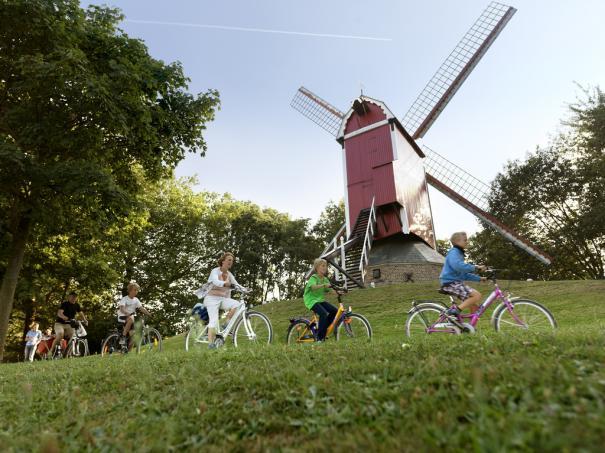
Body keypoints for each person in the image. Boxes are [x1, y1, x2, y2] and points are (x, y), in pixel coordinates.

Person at [439, 232, 487, 319]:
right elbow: (458, 266)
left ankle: (470, 328)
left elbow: (464, 275)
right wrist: (476, 267)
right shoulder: (454, 252)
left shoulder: (459, 254)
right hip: (450, 282)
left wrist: (479, 278)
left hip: (454, 282)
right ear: (457, 241)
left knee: (473, 305)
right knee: (476, 295)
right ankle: (455, 311)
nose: (467, 242)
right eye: (465, 240)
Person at [203, 252, 243, 350]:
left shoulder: (229, 274)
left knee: (237, 305)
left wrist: (246, 289)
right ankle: (211, 344)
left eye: (232, 261)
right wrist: (226, 284)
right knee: (214, 320)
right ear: (223, 261)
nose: (231, 262)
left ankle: (226, 324)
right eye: (229, 260)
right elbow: (216, 281)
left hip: (222, 299)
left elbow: (237, 285)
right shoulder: (215, 271)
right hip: (211, 299)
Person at [303, 258, 339, 342]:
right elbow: (313, 287)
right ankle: (320, 338)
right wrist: (323, 285)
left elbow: (331, 290)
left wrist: (339, 292)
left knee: (335, 311)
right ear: (317, 268)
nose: (325, 267)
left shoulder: (325, 279)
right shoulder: (314, 278)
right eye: (322, 266)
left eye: (326, 266)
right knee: (323, 313)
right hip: (311, 300)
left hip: (320, 300)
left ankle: (323, 330)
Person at [117, 281, 151, 349]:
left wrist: (149, 313)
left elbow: (141, 308)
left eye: (137, 290)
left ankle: (127, 353)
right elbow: (121, 308)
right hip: (123, 316)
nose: (136, 291)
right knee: (131, 319)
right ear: (130, 290)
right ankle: (123, 337)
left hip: (131, 317)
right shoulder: (125, 299)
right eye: (135, 290)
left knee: (133, 336)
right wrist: (127, 313)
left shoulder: (136, 300)